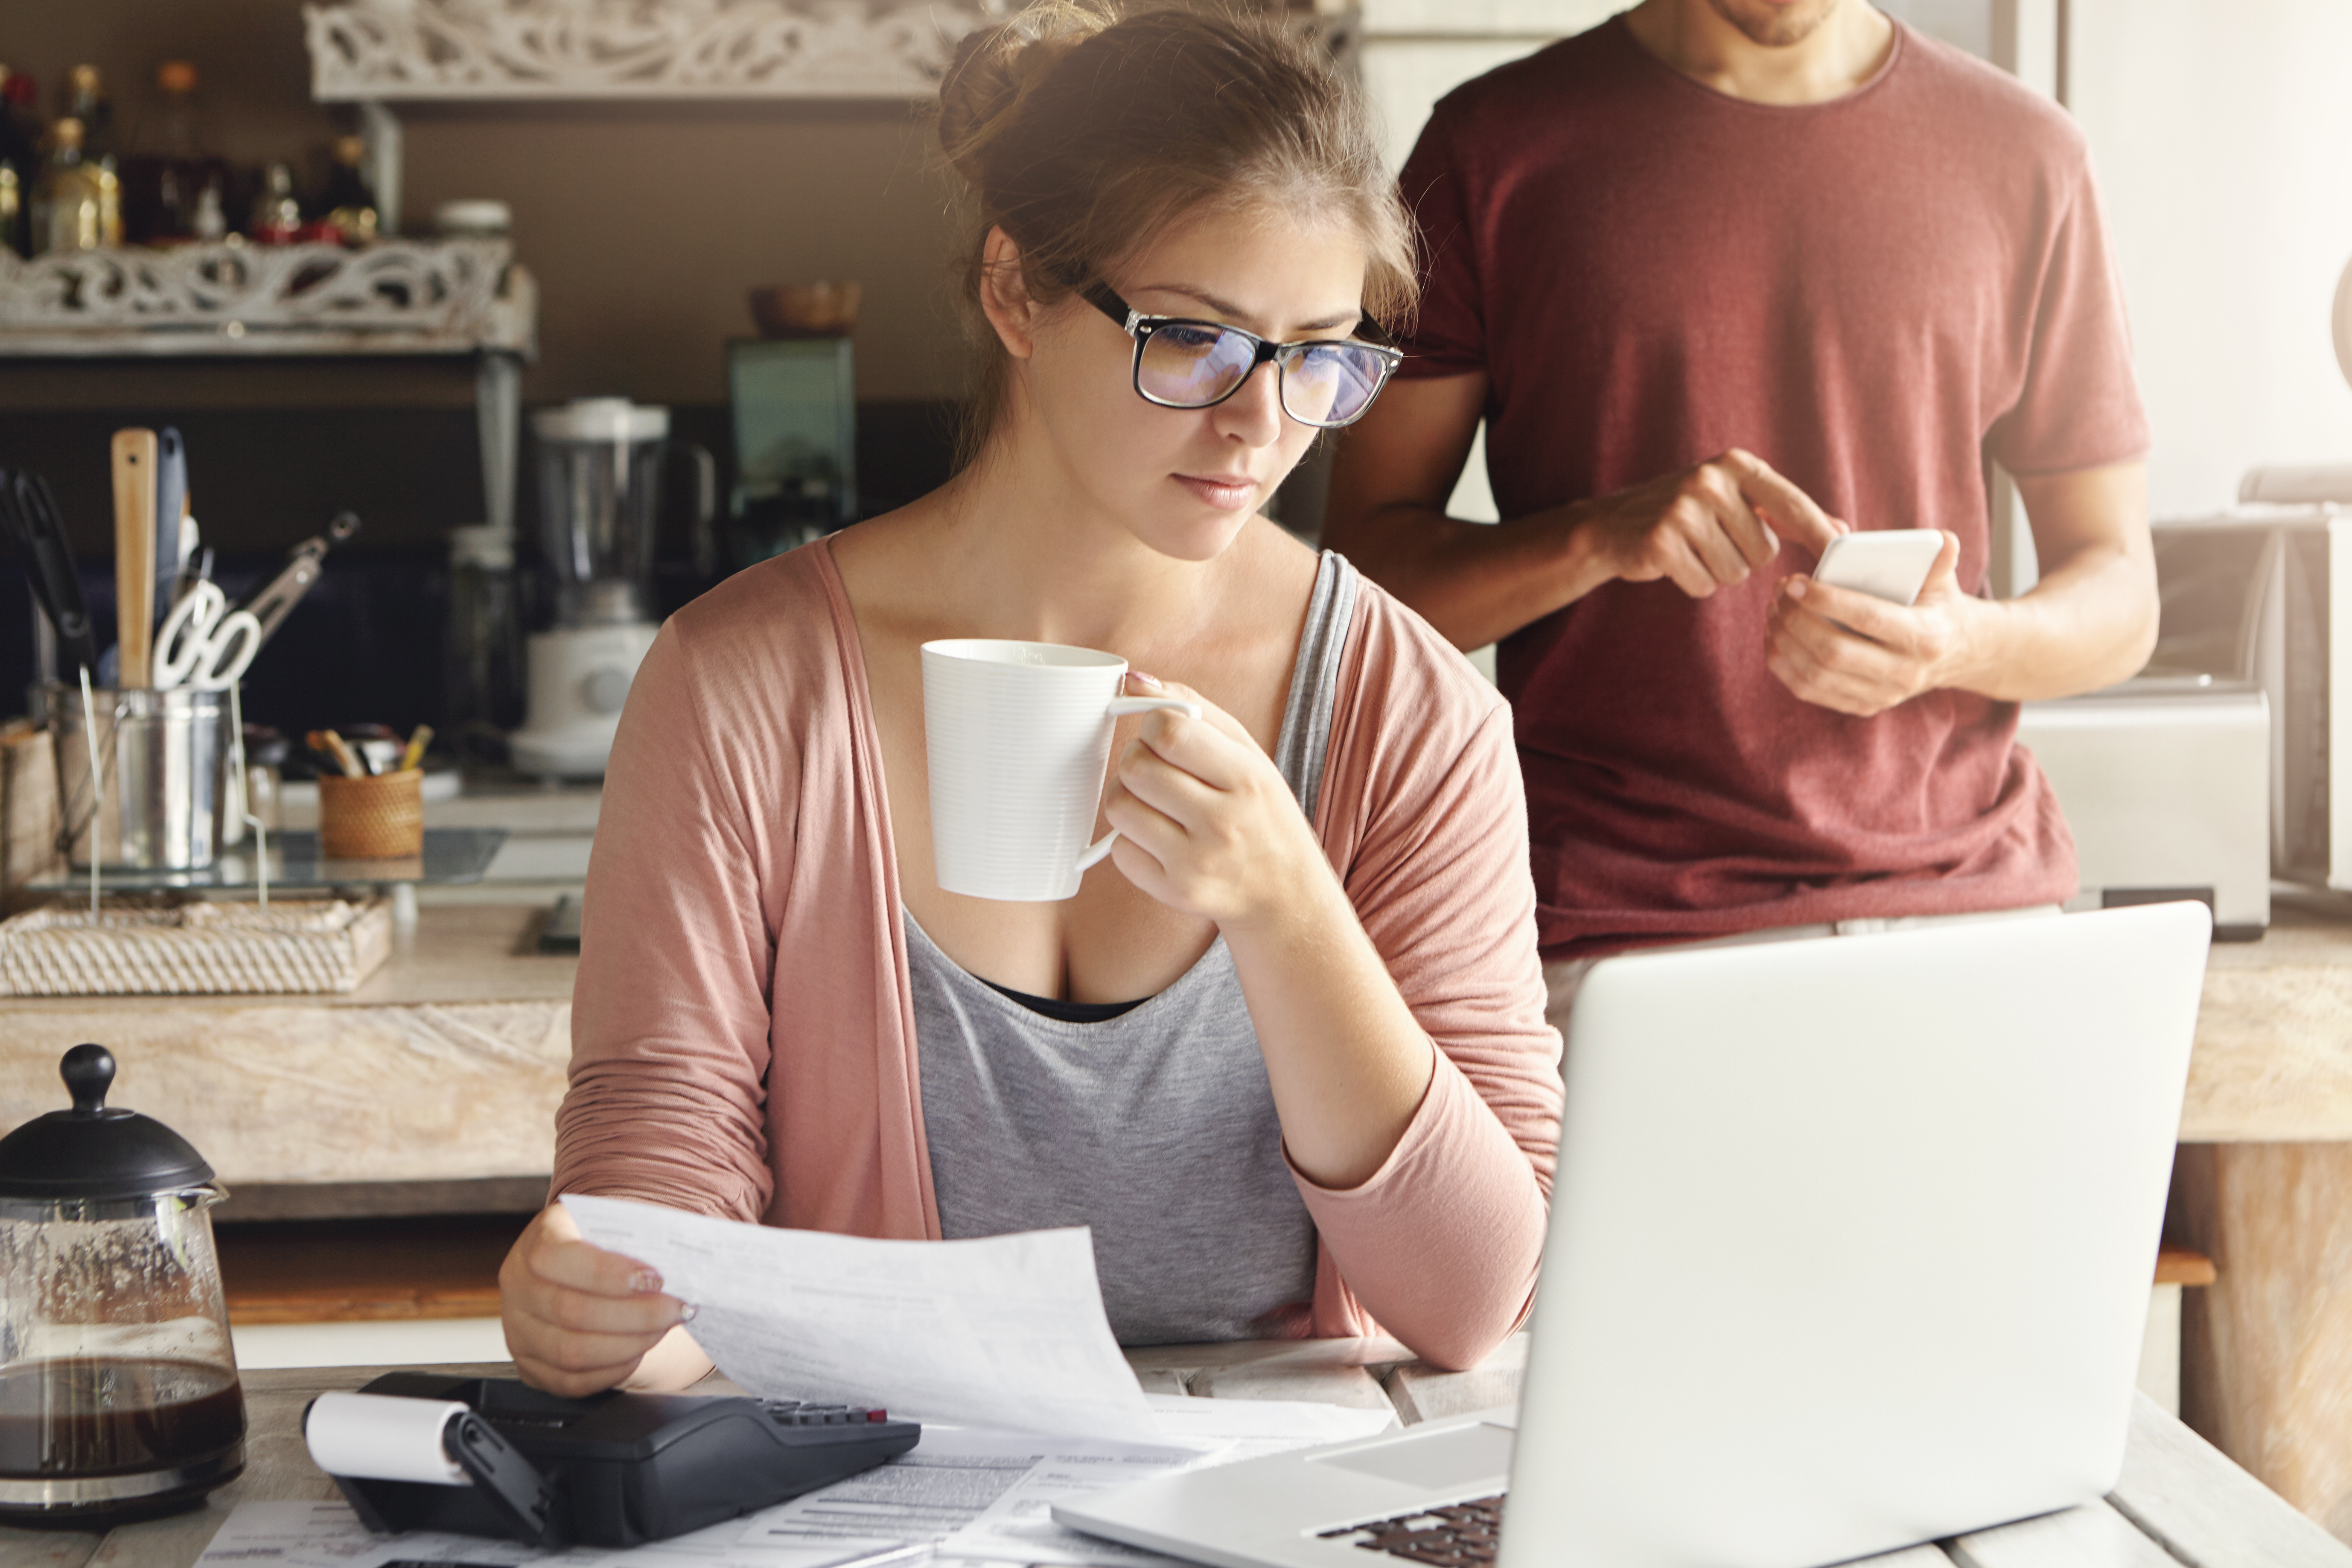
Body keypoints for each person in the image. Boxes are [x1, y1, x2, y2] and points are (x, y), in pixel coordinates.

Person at [498, 2, 1562, 1397]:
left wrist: (1289, 907)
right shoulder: (743, 684)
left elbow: (1474, 1299)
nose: (1262, 423)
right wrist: (610, 1302)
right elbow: (663, 1156)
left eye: (1320, 354)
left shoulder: (1410, 712)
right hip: (883, 1508)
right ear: (1016, 292)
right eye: (1196, 340)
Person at [1323, 0, 2157, 1001]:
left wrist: (1958, 643)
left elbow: (2119, 594)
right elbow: (1357, 586)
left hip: (1972, 915)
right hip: (1616, 934)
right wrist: (1593, 537)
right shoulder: (1486, 152)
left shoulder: (2030, 155)